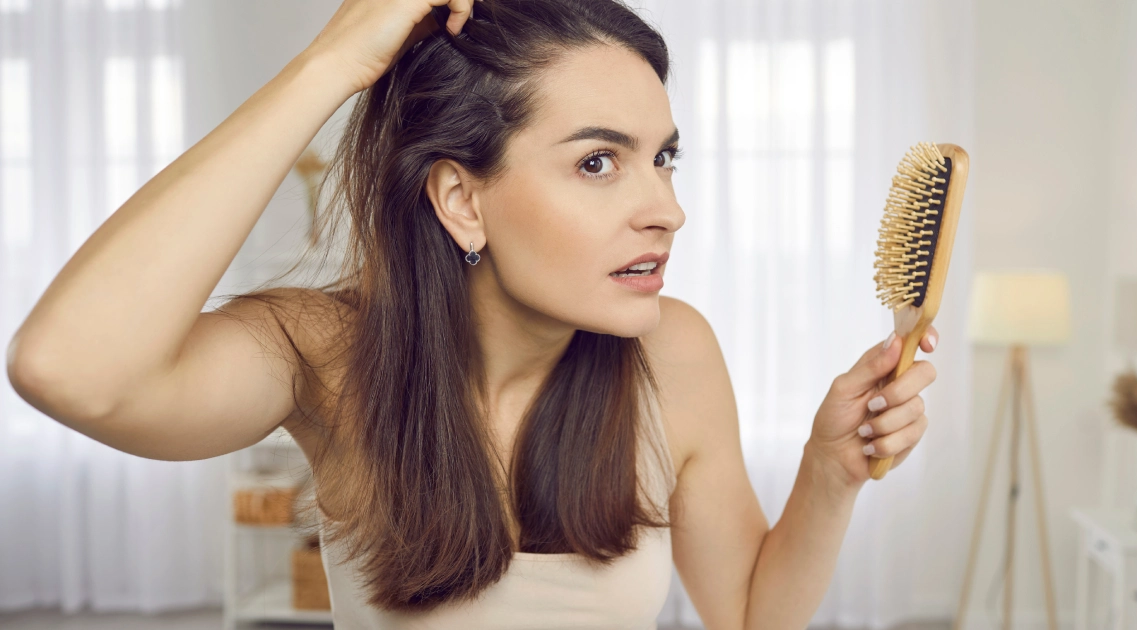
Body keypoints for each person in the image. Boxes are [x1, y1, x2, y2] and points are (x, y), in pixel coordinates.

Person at [5, 0, 938, 627]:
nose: (667, 209)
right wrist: (328, 65)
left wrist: (828, 472)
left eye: (663, 159)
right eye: (599, 162)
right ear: (461, 199)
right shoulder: (327, 354)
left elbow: (747, 614)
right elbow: (67, 368)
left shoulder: (673, 351)